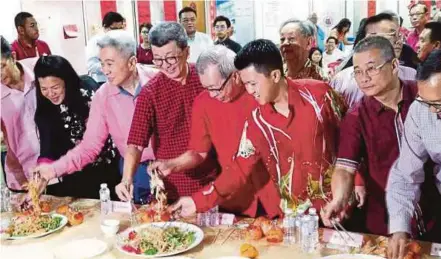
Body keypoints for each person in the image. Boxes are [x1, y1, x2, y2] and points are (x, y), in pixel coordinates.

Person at [168, 39, 347, 218]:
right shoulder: (256, 120)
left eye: (253, 83)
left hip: (339, 205)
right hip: (296, 217)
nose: (250, 90)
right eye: (246, 84)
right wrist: (197, 201)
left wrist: (355, 186)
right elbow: (238, 168)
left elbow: (353, 141)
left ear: (275, 76)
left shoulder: (320, 95)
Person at [149, 45, 281, 218]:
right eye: (207, 88)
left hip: (273, 192)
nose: (212, 95)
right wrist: (172, 164)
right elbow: (198, 151)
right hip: (233, 194)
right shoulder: (203, 102)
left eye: (216, 88)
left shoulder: (260, 95)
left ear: (235, 76)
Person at [321, 36, 427, 237]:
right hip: (387, 222)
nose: (364, 78)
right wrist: (340, 199)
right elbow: (344, 167)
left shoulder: (425, 96)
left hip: (434, 213)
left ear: (394, 65)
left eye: (371, 69)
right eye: (358, 72)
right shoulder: (356, 117)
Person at [34, 30, 158, 203]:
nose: (104, 70)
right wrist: (52, 170)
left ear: (132, 62)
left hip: (170, 166)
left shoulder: (158, 81)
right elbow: (89, 147)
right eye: (102, 63)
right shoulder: (103, 96)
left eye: (110, 64)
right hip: (133, 173)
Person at [116, 22, 219, 203]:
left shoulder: (206, 79)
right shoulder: (150, 92)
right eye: (158, 59)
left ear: (186, 52)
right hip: (174, 184)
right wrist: (127, 179)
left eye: (171, 58)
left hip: (214, 178)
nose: (165, 66)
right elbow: (135, 143)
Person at [33, 55, 120, 198]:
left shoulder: (88, 90)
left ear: (66, 81)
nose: (50, 94)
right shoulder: (45, 110)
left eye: (55, 87)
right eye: (44, 89)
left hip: (108, 169)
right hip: (73, 175)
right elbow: (47, 147)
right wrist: (43, 171)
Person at [387, 50, 441, 259]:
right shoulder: (421, 110)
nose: (433, 113)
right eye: (426, 102)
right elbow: (406, 173)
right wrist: (399, 227)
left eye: (438, 104)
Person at [331, 13, 417, 108]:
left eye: (400, 36)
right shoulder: (343, 80)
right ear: (370, 37)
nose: (399, 41)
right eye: (392, 34)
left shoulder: (411, 75)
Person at [1, 36, 40, 191]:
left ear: (13, 56)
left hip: (56, 170)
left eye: (1, 66)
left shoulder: (40, 71)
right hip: (22, 177)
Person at [85, 11, 125, 84]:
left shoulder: (123, 41)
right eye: (114, 29)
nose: (117, 32)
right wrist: (110, 66)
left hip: (120, 80)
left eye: (120, 29)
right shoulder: (95, 42)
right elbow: (91, 66)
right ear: (104, 27)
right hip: (102, 81)